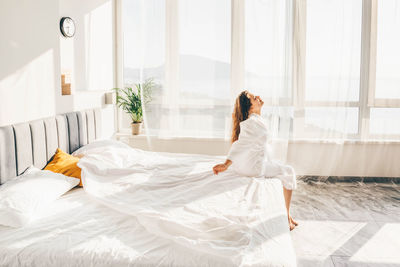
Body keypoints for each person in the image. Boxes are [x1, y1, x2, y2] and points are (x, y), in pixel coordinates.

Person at [212, 90, 298, 230]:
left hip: (249, 164)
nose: (258, 97)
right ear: (250, 107)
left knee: (282, 169)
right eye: (253, 98)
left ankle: (286, 215)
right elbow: (241, 144)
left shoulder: (254, 120)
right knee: (289, 171)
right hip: (253, 168)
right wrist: (226, 164)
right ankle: (286, 216)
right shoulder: (252, 122)